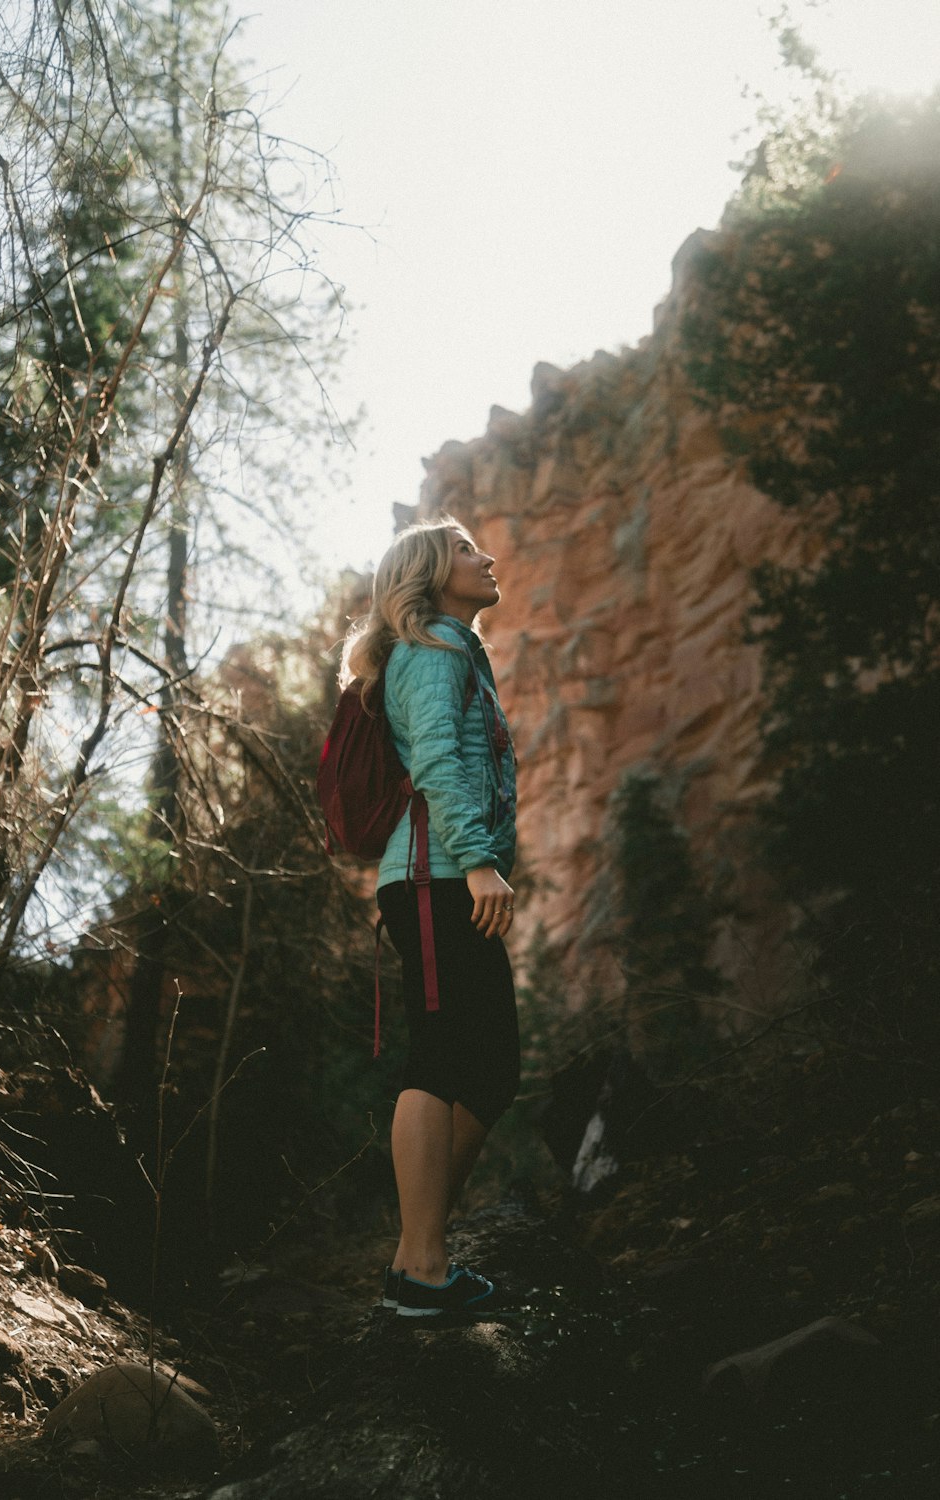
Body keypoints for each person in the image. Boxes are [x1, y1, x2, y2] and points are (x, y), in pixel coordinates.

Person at [340, 516, 519, 1318]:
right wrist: (479, 863)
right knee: (444, 1058)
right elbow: (440, 761)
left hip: (448, 876)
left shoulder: (457, 652)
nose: (486, 558)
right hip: (435, 877)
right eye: (465, 549)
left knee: (493, 1068)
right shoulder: (431, 652)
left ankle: (421, 1253)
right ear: (428, 573)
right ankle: (420, 1270)